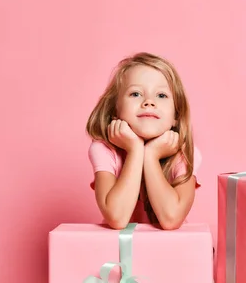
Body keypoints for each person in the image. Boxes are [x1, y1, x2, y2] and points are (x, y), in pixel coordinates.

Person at [85, 52, 201, 230]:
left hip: (170, 253)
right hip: (119, 254)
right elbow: (117, 217)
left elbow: (171, 219)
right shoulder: (103, 149)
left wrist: (151, 155)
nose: (149, 102)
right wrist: (135, 150)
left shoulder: (185, 153)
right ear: (115, 109)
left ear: (176, 115)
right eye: (136, 93)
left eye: (161, 95)